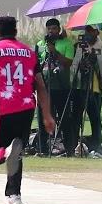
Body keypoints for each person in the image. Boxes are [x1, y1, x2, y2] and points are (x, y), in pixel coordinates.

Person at [0, 16, 55, 204]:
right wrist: (46, 115)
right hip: (27, 107)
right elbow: (41, 86)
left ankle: (6, 153)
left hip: (4, 107)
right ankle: (14, 195)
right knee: (17, 151)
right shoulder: (29, 52)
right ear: (16, 31)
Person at [35, 18, 75, 156]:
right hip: (44, 89)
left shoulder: (67, 43)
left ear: (59, 29)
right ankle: (43, 150)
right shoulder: (40, 44)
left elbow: (68, 63)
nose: (51, 31)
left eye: (54, 28)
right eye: (49, 29)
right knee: (43, 120)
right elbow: (36, 65)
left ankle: (69, 150)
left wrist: (55, 52)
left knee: (65, 120)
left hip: (62, 87)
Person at [70, 25, 102, 154]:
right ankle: (74, 146)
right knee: (76, 119)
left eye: (91, 31)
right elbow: (74, 65)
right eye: (87, 31)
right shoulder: (79, 46)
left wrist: (94, 61)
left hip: (95, 88)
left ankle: (96, 147)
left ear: (97, 32)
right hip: (79, 87)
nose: (88, 33)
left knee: (95, 119)